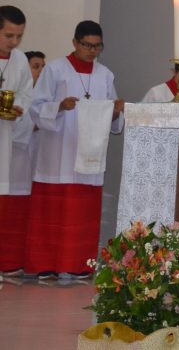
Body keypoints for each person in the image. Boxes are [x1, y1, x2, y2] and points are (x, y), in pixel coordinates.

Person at [26, 20, 125, 279]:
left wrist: (115, 112)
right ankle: (45, 265)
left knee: (83, 214)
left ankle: (81, 265)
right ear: (74, 43)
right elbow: (36, 107)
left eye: (97, 46)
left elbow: (113, 114)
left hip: (89, 154)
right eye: (87, 45)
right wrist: (59, 106)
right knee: (52, 212)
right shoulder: (56, 70)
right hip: (58, 153)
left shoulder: (105, 75)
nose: (92, 51)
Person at [0, 6, 35, 278]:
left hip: (4, 138)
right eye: (9, 36)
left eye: (18, 37)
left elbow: (26, 93)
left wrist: (19, 107)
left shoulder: (20, 60)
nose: (13, 42)